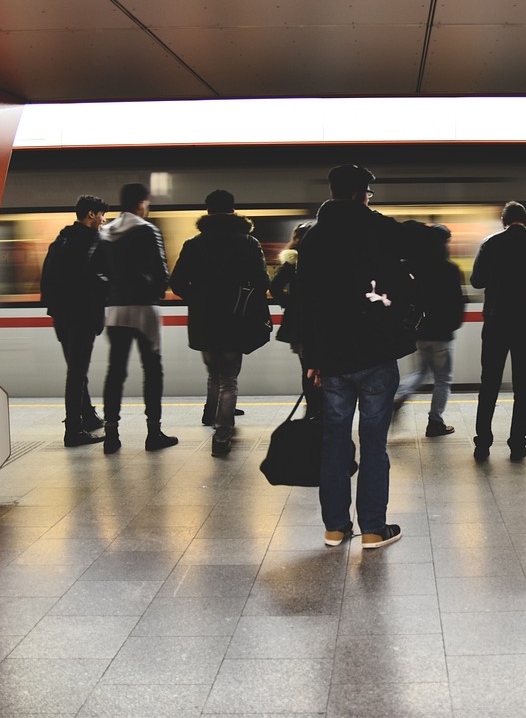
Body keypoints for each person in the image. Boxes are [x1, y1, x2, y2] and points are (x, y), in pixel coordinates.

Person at [297, 164, 414, 550]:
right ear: (360, 194)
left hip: (331, 358)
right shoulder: (376, 228)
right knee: (374, 443)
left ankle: (334, 528)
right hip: (376, 353)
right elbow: (414, 250)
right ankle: (373, 530)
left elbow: (305, 302)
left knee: (334, 441)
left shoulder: (312, 239)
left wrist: (312, 356)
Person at [169, 189, 269, 457]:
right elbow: (262, 282)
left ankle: (210, 414)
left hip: (204, 320)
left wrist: (198, 298)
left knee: (214, 373)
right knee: (229, 379)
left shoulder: (194, 244)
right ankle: (222, 433)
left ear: (208, 212)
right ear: (233, 211)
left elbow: (176, 283)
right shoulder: (248, 243)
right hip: (235, 319)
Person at [470, 201, 526, 463]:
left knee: (489, 384)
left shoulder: (491, 243)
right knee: (523, 387)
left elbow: (477, 281)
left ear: (504, 221)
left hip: (496, 323)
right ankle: (517, 445)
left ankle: (483, 444)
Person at [101, 182, 177, 454]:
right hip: (144, 309)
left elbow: (96, 270)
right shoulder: (147, 230)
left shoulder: (105, 231)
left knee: (115, 372)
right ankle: (153, 432)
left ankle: (111, 434)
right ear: (141, 203)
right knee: (152, 370)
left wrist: (112, 293)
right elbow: (161, 270)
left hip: (116, 309)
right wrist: (156, 292)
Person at [39, 195, 109, 447]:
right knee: (77, 372)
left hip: (61, 315)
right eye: (102, 214)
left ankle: (88, 416)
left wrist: (55, 308)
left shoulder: (61, 241)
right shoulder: (92, 241)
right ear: (91, 214)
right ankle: (73, 430)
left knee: (76, 368)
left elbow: (46, 279)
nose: (104, 219)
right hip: (82, 314)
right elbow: (101, 278)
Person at [393, 223, 466, 437]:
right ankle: (435, 422)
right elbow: (457, 303)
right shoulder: (450, 268)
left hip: (420, 333)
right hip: (442, 335)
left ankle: (398, 396)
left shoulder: (414, 266)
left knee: (419, 372)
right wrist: (453, 325)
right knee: (443, 379)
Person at [269, 220, 323, 420]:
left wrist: (290, 305)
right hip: (322, 322)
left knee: (307, 368)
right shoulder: (324, 259)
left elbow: (274, 287)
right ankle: (321, 409)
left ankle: (311, 410)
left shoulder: (292, 261)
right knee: (324, 368)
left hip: (299, 325)